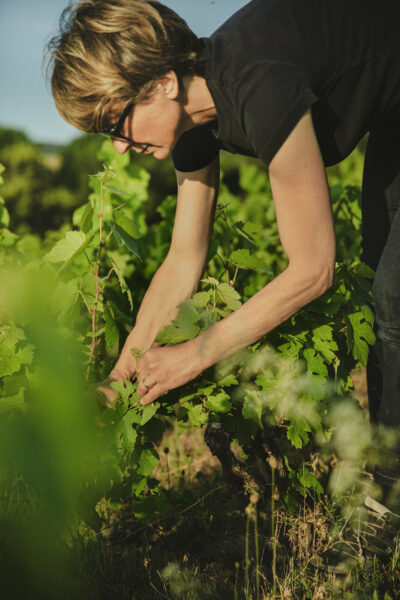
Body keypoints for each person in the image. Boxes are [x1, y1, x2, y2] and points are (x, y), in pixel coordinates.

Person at [47, 0, 400, 508]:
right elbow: (182, 260)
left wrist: (197, 353)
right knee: (383, 282)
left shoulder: (260, 83)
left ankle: (391, 492)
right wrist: (119, 376)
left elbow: (314, 268)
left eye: (114, 122)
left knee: (393, 295)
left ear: (163, 83)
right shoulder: (196, 125)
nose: (118, 148)